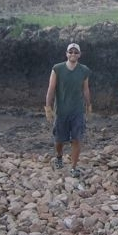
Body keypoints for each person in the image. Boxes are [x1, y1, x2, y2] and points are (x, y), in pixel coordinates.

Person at [45, 43, 92, 178]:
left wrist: (88, 105)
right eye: (70, 52)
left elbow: (86, 89)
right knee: (59, 139)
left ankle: (73, 167)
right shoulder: (57, 69)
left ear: (79, 55)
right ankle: (59, 157)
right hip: (61, 111)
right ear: (66, 54)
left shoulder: (84, 70)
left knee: (77, 138)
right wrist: (48, 107)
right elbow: (51, 88)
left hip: (77, 111)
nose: (73, 54)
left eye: (75, 52)